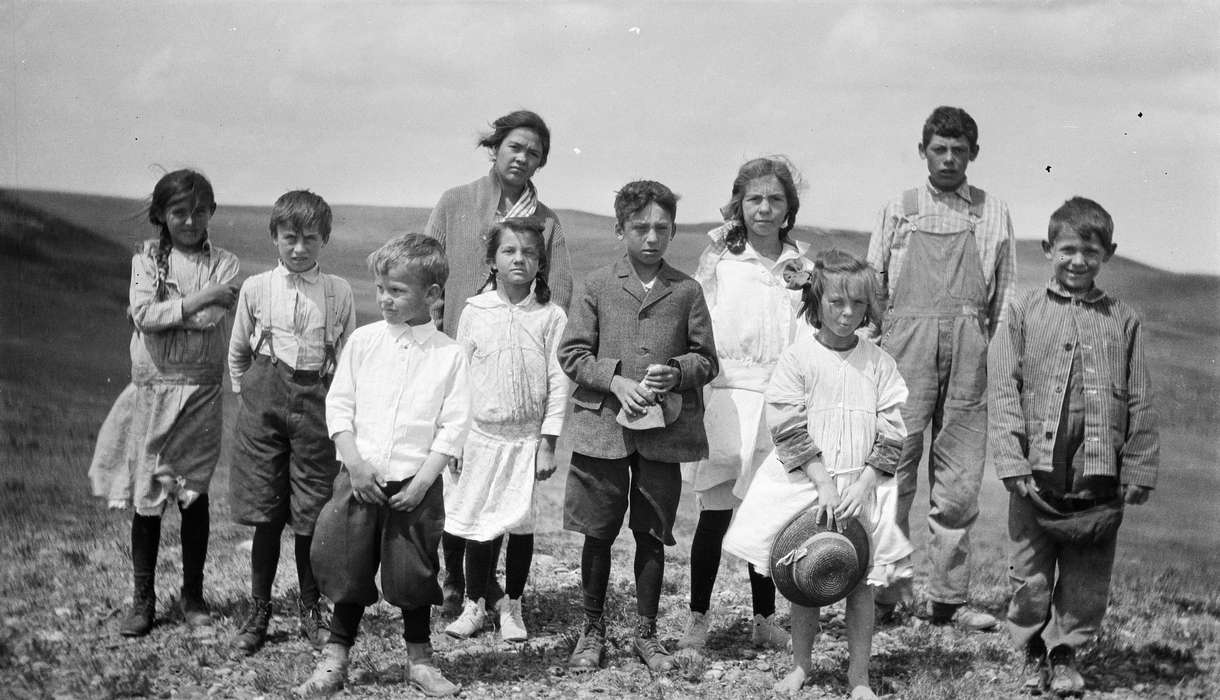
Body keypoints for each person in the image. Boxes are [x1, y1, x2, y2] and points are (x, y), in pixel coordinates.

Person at [723, 249, 913, 700]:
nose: (848, 314)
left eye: (859, 305)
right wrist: (823, 482)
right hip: (810, 485)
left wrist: (867, 480)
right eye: (836, 303)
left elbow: (893, 426)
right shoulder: (799, 357)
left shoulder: (878, 362)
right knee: (806, 575)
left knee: (861, 580)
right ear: (816, 300)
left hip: (863, 488)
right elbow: (787, 423)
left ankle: (859, 675)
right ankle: (800, 665)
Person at [989, 197, 1159, 697]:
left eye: (1091, 251)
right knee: (1030, 574)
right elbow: (1002, 388)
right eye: (1067, 250)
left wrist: (1139, 469)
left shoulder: (1124, 320)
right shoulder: (1023, 311)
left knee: (1086, 577)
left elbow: (1143, 400)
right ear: (1047, 249)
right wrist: (1011, 459)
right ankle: (1028, 642)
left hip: (1097, 477)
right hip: (1034, 477)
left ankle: (1065, 652)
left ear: (1109, 253)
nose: (1078, 261)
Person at [296, 234, 470, 698]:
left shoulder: (449, 355)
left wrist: (424, 480)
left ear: (432, 296)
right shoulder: (364, 342)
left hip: (415, 484)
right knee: (348, 565)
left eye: (397, 290)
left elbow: (453, 426)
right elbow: (340, 406)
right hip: (360, 480)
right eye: (381, 289)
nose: (385, 300)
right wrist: (353, 463)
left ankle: (420, 661)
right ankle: (335, 657)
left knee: (414, 572)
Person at [557, 180, 718, 673]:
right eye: (640, 227)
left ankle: (646, 634)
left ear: (672, 232)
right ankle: (591, 631)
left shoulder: (686, 289)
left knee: (652, 534)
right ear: (619, 229)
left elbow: (707, 360)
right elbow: (572, 353)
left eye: (662, 228)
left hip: (663, 431)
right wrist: (614, 381)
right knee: (598, 531)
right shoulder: (597, 285)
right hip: (603, 427)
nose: (651, 237)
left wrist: (679, 370)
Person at [866, 106, 1016, 629]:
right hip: (903, 351)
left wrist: (974, 343)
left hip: (970, 353)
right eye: (938, 149)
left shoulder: (993, 213)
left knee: (958, 481)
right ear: (923, 150)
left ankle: (948, 600)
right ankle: (884, 594)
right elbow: (873, 287)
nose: (948, 158)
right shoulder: (899, 209)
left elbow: (1003, 297)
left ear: (974, 153)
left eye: (959, 149)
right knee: (893, 472)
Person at [424, 109, 573, 618]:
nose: (522, 157)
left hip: (520, 369)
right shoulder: (456, 203)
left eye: (533, 152)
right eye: (514, 146)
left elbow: (563, 291)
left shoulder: (546, 222)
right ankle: (455, 583)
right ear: (496, 146)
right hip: (460, 356)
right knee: (457, 481)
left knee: (507, 501)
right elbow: (430, 271)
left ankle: (496, 596)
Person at [88, 169, 240, 637]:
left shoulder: (227, 264)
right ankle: (143, 600)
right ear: (161, 215)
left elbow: (212, 316)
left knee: (193, 495)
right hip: (152, 389)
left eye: (199, 211)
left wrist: (176, 310)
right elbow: (144, 316)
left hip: (200, 392)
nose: (190, 220)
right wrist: (194, 303)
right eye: (179, 212)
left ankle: (192, 596)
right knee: (146, 496)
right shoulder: (146, 260)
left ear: (212, 212)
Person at [678, 156, 811, 652]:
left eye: (775, 199)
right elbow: (701, 328)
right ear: (739, 204)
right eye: (754, 199)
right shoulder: (720, 263)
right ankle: (698, 617)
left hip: (779, 402)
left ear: (788, 208)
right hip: (729, 397)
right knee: (715, 515)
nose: (764, 208)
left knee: (770, 517)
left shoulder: (801, 268)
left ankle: (764, 618)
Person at [227, 190, 356, 654]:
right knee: (265, 511)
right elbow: (239, 352)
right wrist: (252, 395)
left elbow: (345, 360)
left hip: (316, 405)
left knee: (311, 514)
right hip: (264, 402)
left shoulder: (338, 291)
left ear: (325, 240)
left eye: (310, 239)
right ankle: (259, 610)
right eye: (289, 238)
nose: (299, 248)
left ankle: (309, 606)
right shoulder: (256, 288)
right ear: (274, 238)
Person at [442, 219, 569, 642]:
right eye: (509, 251)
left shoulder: (551, 316)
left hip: (526, 440)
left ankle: (512, 607)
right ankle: (474, 604)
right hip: (480, 436)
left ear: (541, 262)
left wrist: (547, 443)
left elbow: (558, 381)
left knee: (519, 524)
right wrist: (456, 438)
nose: (519, 259)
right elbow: (459, 379)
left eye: (529, 253)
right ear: (492, 261)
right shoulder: (475, 310)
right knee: (479, 522)